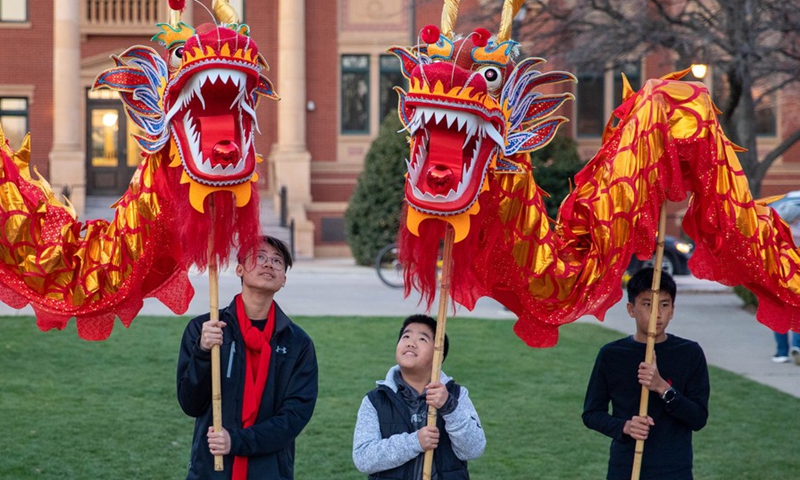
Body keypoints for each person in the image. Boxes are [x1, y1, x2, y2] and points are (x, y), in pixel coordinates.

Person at [177, 235, 318, 479]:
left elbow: (294, 417)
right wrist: (202, 351)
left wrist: (237, 441)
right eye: (259, 257)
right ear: (239, 269)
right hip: (211, 470)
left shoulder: (298, 343)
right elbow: (190, 405)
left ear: (284, 278)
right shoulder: (206, 329)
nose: (268, 264)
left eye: (277, 261)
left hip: (269, 470)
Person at [582, 268, 709, 480]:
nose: (657, 314)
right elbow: (591, 414)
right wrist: (625, 426)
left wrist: (662, 388)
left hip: (674, 470)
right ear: (631, 309)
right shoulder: (612, 355)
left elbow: (698, 418)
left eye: (664, 305)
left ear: (673, 310)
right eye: (647, 304)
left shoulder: (690, 353)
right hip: (625, 468)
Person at [352, 314, 485, 479]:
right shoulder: (376, 400)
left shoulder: (457, 396)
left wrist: (449, 407)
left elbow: (474, 449)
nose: (410, 343)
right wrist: (415, 442)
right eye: (406, 336)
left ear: (439, 355)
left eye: (422, 339)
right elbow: (363, 458)